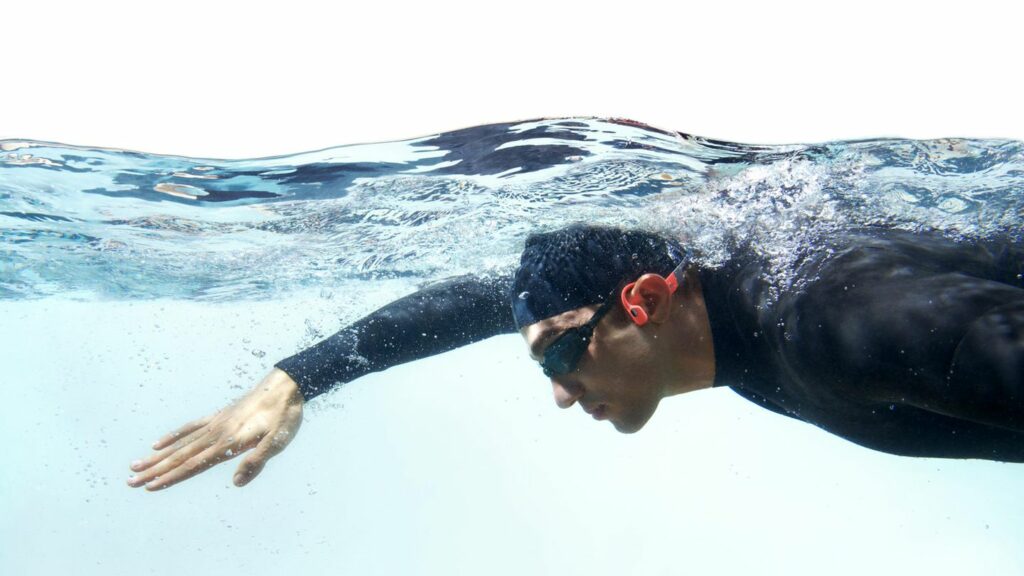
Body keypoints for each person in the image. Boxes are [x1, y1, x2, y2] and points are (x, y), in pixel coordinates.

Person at [127, 224, 1024, 491]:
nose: (560, 396)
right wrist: (300, 377)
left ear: (644, 301)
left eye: (556, 364)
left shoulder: (832, 325)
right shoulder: (735, 315)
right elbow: (486, 303)